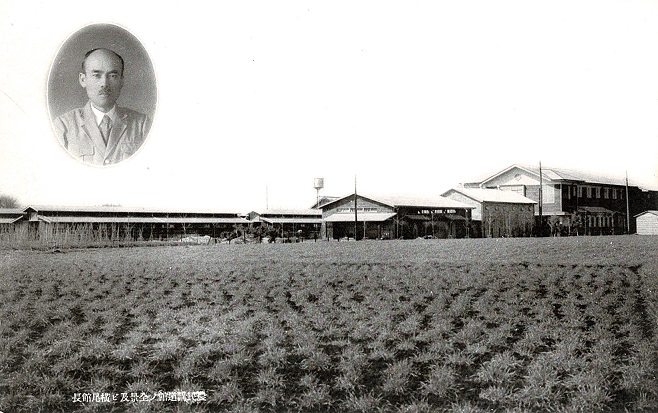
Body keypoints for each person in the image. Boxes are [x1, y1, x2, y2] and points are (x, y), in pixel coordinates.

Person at [53, 48, 151, 166]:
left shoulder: (142, 125)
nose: (104, 83)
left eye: (113, 76)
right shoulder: (63, 126)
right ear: (83, 80)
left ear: (122, 81)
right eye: (96, 75)